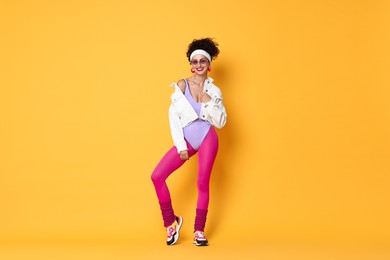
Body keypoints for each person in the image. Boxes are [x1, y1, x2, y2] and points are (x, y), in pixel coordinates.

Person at [151, 38, 227, 246]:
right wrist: (181, 147)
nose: (199, 65)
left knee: (202, 183)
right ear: (191, 65)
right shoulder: (182, 85)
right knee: (157, 176)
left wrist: (210, 103)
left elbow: (220, 122)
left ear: (209, 65)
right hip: (187, 140)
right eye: (195, 61)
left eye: (203, 61)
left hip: (207, 138)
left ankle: (199, 231)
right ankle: (171, 223)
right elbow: (173, 117)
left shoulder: (215, 92)